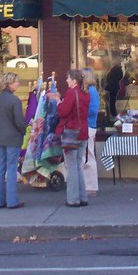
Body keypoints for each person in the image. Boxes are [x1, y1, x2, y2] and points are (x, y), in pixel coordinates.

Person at [0, 71, 27, 209]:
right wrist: (24, 131)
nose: (18, 83)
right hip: (13, 138)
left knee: (0, 168)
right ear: (10, 83)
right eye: (16, 81)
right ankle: (12, 201)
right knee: (11, 169)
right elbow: (19, 121)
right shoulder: (14, 100)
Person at [55, 68, 90, 207]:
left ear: (74, 80)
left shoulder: (71, 93)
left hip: (71, 132)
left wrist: (58, 102)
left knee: (71, 167)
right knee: (78, 165)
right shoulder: (85, 93)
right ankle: (83, 197)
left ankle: (73, 199)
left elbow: (63, 112)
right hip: (83, 132)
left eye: (68, 78)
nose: (66, 80)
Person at [80, 68, 100, 195]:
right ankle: (87, 184)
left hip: (89, 126)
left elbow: (93, 110)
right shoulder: (89, 91)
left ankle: (91, 186)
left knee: (88, 156)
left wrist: (80, 111)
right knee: (85, 156)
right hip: (87, 126)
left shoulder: (91, 92)